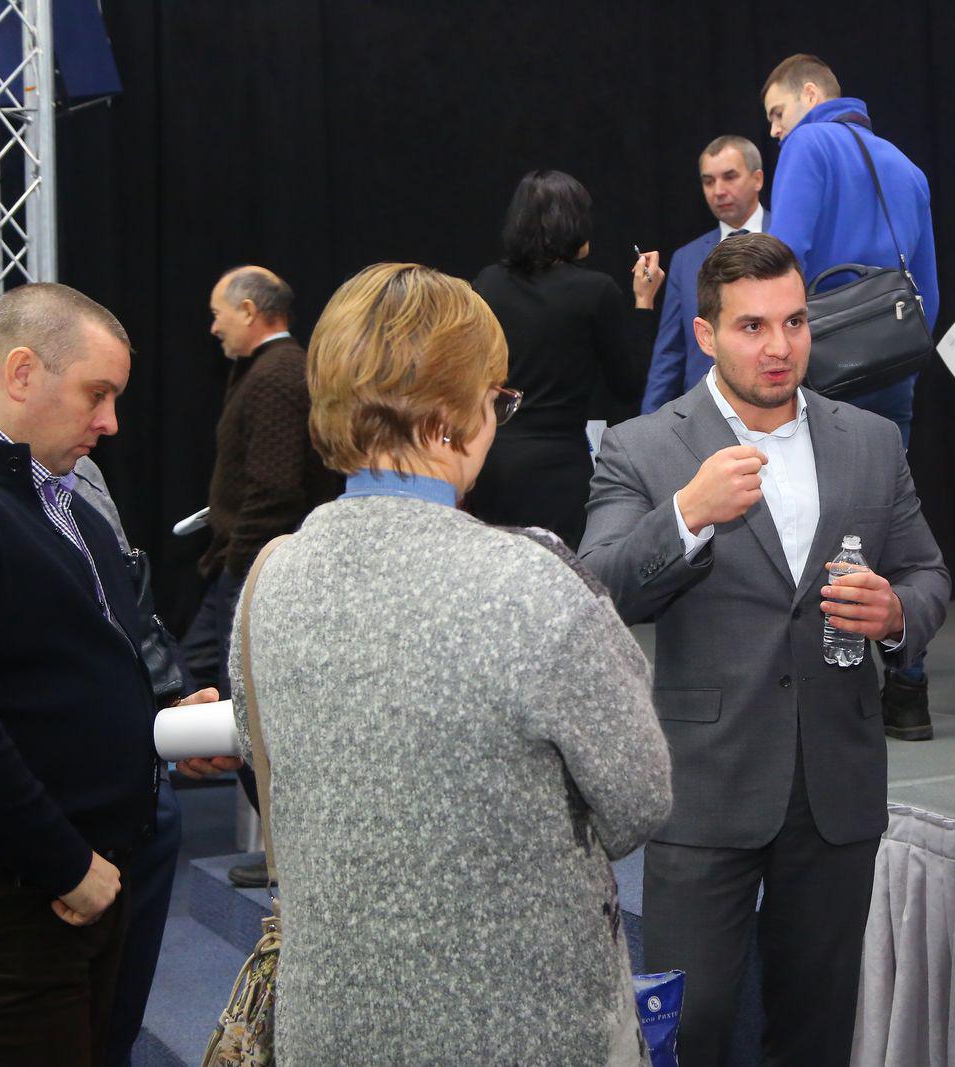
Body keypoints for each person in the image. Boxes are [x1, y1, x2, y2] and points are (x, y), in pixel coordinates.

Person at [231, 262, 672, 1064]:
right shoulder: (535, 584)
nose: (497, 421)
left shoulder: (267, 582)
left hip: (330, 1028)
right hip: (527, 1030)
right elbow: (637, 804)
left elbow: (274, 781)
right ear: (446, 421)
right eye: (495, 400)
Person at [580, 234, 951, 1067]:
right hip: (707, 785)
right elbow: (599, 585)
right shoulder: (644, 447)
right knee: (692, 1026)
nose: (779, 346)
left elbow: (929, 572)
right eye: (752, 326)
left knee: (817, 1027)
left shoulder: (870, 440)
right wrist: (686, 513)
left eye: (794, 322)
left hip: (836, 784)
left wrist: (897, 613)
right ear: (706, 335)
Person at [0, 283, 233, 1066]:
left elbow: (72, 671)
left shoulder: (54, 500)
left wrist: (161, 731)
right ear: (23, 372)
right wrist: (66, 864)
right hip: (10, 892)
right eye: (98, 393)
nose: (111, 421)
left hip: (71, 879)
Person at [760, 53, 940, 741]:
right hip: (893, 367)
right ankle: (909, 689)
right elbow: (927, 293)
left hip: (821, 369)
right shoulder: (909, 168)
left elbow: (781, 260)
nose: (775, 131)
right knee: (888, 518)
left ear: (811, 95)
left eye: (778, 112)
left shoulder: (809, 145)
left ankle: (818, 684)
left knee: (807, 517)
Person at [182, 265, 340, 888]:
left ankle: (290, 856)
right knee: (194, 681)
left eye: (218, 312)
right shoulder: (270, 370)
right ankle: (285, 852)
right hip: (248, 565)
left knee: (245, 702)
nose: (213, 326)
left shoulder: (276, 376)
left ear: (249, 311)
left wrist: (241, 568)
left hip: (257, 569)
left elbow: (275, 488)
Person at [468, 169, 662, 548]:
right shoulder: (595, 291)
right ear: (573, 223)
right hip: (559, 469)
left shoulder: (488, 283)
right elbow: (628, 384)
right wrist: (644, 301)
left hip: (493, 461)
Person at [641, 135, 769, 414]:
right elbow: (670, 353)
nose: (718, 190)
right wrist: (647, 424)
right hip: (707, 414)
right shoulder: (686, 259)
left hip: (781, 405)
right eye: (709, 181)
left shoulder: (792, 240)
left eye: (730, 177)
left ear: (757, 179)